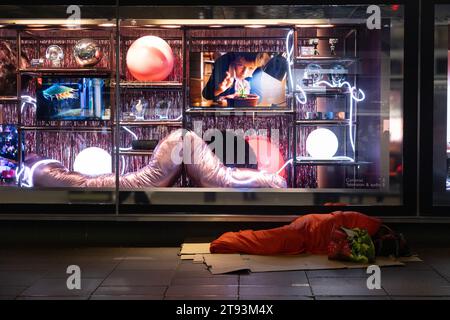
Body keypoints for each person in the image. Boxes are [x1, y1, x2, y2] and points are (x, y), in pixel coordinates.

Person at [202, 52, 270, 101]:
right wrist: (218, 90)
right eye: (240, 65)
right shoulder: (222, 63)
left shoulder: (258, 67)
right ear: (235, 60)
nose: (244, 73)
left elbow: (259, 96)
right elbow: (206, 95)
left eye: (251, 68)